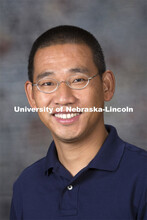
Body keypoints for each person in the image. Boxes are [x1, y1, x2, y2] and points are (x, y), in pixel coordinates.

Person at [10, 25, 147, 220]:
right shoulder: (26, 186)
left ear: (106, 86)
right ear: (31, 96)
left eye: (78, 80)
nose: (64, 98)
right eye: (48, 83)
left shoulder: (142, 177)